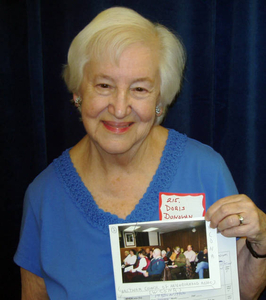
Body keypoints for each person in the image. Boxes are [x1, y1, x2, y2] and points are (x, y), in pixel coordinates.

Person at [13, 6, 266, 300]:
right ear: (78, 93)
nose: (120, 109)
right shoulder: (43, 196)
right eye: (104, 85)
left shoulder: (205, 171)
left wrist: (261, 242)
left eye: (140, 89)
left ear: (160, 100)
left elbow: (239, 292)